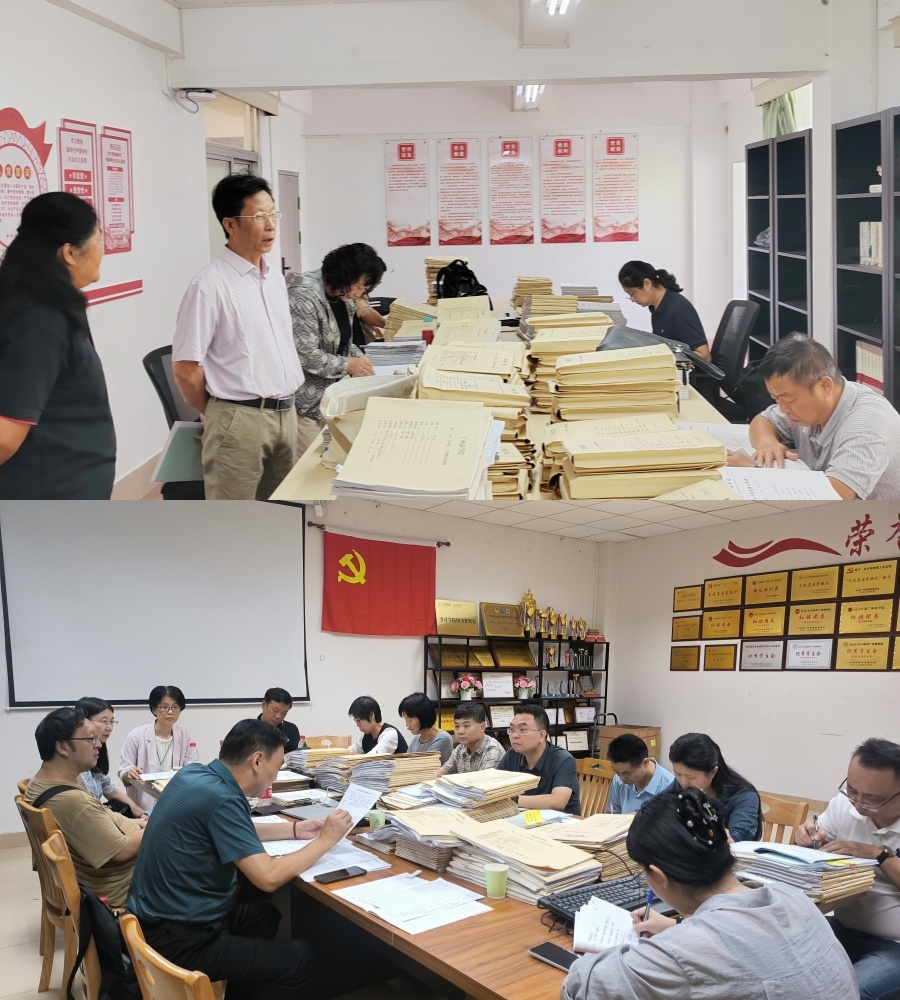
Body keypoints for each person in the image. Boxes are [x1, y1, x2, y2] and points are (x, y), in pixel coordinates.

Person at [126, 720, 353, 1000]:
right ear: (257, 761)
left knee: (265, 917)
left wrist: (295, 830)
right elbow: (268, 877)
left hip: (154, 921)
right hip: (182, 939)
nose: (276, 775)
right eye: (277, 766)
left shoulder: (194, 775)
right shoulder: (223, 799)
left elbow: (231, 828)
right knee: (303, 958)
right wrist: (326, 840)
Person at [562, 786, 859, 1000]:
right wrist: (677, 926)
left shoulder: (685, 952)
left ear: (660, 877)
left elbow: (579, 986)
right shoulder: (793, 898)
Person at [172, 174, 305, 500]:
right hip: (239, 419)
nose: (271, 225)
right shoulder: (209, 285)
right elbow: (186, 368)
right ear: (230, 224)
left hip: (287, 413)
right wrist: (221, 412)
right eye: (259, 217)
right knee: (234, 519)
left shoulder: (274, 278)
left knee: (282, 514)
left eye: (273, 214)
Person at [0, 191, 115, 498]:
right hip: (48, 500)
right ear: (70, 253)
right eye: (98, 240)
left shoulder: (48, 304)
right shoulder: (41, 322)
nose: (102, 250)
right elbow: (5, 436)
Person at [726, 334, 900, 500]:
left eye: (789, 400)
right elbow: (763, 420)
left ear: (824, 385)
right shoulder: (813, 406)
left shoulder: (868, 424)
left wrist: (754, 471)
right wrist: (767, 443)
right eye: (776, 399)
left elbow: (834, 494)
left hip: (875, 518)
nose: (783, 409)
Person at [794, 737, 900, 1000]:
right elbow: (814, 857)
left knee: (850, 992)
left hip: (894, 946)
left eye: (873, 798)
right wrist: (806, 841)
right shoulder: (845, 805)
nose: (859, 804)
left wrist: (879, 855)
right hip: (842, 927)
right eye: (852, 790)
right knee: (774, 959)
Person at [24, 707, 145, 908]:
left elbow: (101, 816)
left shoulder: (42, 782)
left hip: (107, 874)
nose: (98, 744)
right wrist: (158, 825)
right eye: (90, 739)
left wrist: (140, 823)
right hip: (122, 887)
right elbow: (123, 851)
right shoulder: (73, 801)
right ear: (62, 747)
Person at [286, 243, 384, 455]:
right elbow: (306, 355)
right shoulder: (303, 295)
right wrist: (349, 365)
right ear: (345, 275)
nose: (361, 293)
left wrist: (361, 359)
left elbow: (342, 343)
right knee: (310, 467)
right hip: (305, 405)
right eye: (361, 286)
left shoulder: (344, 297)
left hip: (331, 399)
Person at [668, 732, 762, 842]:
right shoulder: (680, 784)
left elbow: (737, 841)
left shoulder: (744, 796)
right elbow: (655, 812)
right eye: (677, 774)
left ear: (713, 772)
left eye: (690, 777)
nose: (683, 782)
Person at [118, 685, 193, 814]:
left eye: (175, 707)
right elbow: (123, 771)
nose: (170, 712)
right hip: (142, 808)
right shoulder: (137, 735)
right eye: (164, 707)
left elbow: (188, 768)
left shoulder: (183, 734)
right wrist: (129, 773)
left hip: (173, 803)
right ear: (154, 709)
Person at [496, 704, 580, 815]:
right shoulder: (513, 754)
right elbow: (494, 784)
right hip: (525, 818)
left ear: (541, 735)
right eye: (512, 729)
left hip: (560, 822)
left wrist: (511, 799)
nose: (514, 735)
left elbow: (558, 802)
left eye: (522, 729)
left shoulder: (563, 760)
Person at [617, 260, 710, 358]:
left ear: (647, 283)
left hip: (684, 366)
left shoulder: (677, 309)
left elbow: (704, 354)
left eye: (632, 293)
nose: (632, 299)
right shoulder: (656, 306)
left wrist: (664, 358)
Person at [74, 697, 145, 819]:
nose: (109, 727)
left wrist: (142, 814)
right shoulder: (76, 763)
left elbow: (111, 791)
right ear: (85, 721)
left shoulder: (95, 757)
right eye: (104, 721)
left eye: (111, 721)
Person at [606, 733, 675, 814]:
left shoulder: (670, 786)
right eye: (617, 772)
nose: (622, 778)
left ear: (645, 763)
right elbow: (613, 812)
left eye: (626, 773)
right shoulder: (618, 780)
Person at [436, 702, 504, 776]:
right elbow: (440, 773)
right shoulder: (460, 748)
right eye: (457, 726)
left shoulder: (492, 750)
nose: (460, 731)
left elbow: (482, 781)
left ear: (482, 727)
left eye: (466, 726)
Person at [398, 692, 452, 765]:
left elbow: (424, 766)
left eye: (410, 721)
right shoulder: (417, 739)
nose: (407, 725)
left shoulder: (443, 738)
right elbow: (406, 762)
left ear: (423, 717)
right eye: (406, 720)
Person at [257, 687, 301, 753]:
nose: (278, 716)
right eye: (275, 710)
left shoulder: (291, 729)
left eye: (284, 713)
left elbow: (294, 756)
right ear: (263, 705)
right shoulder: (248, 729)